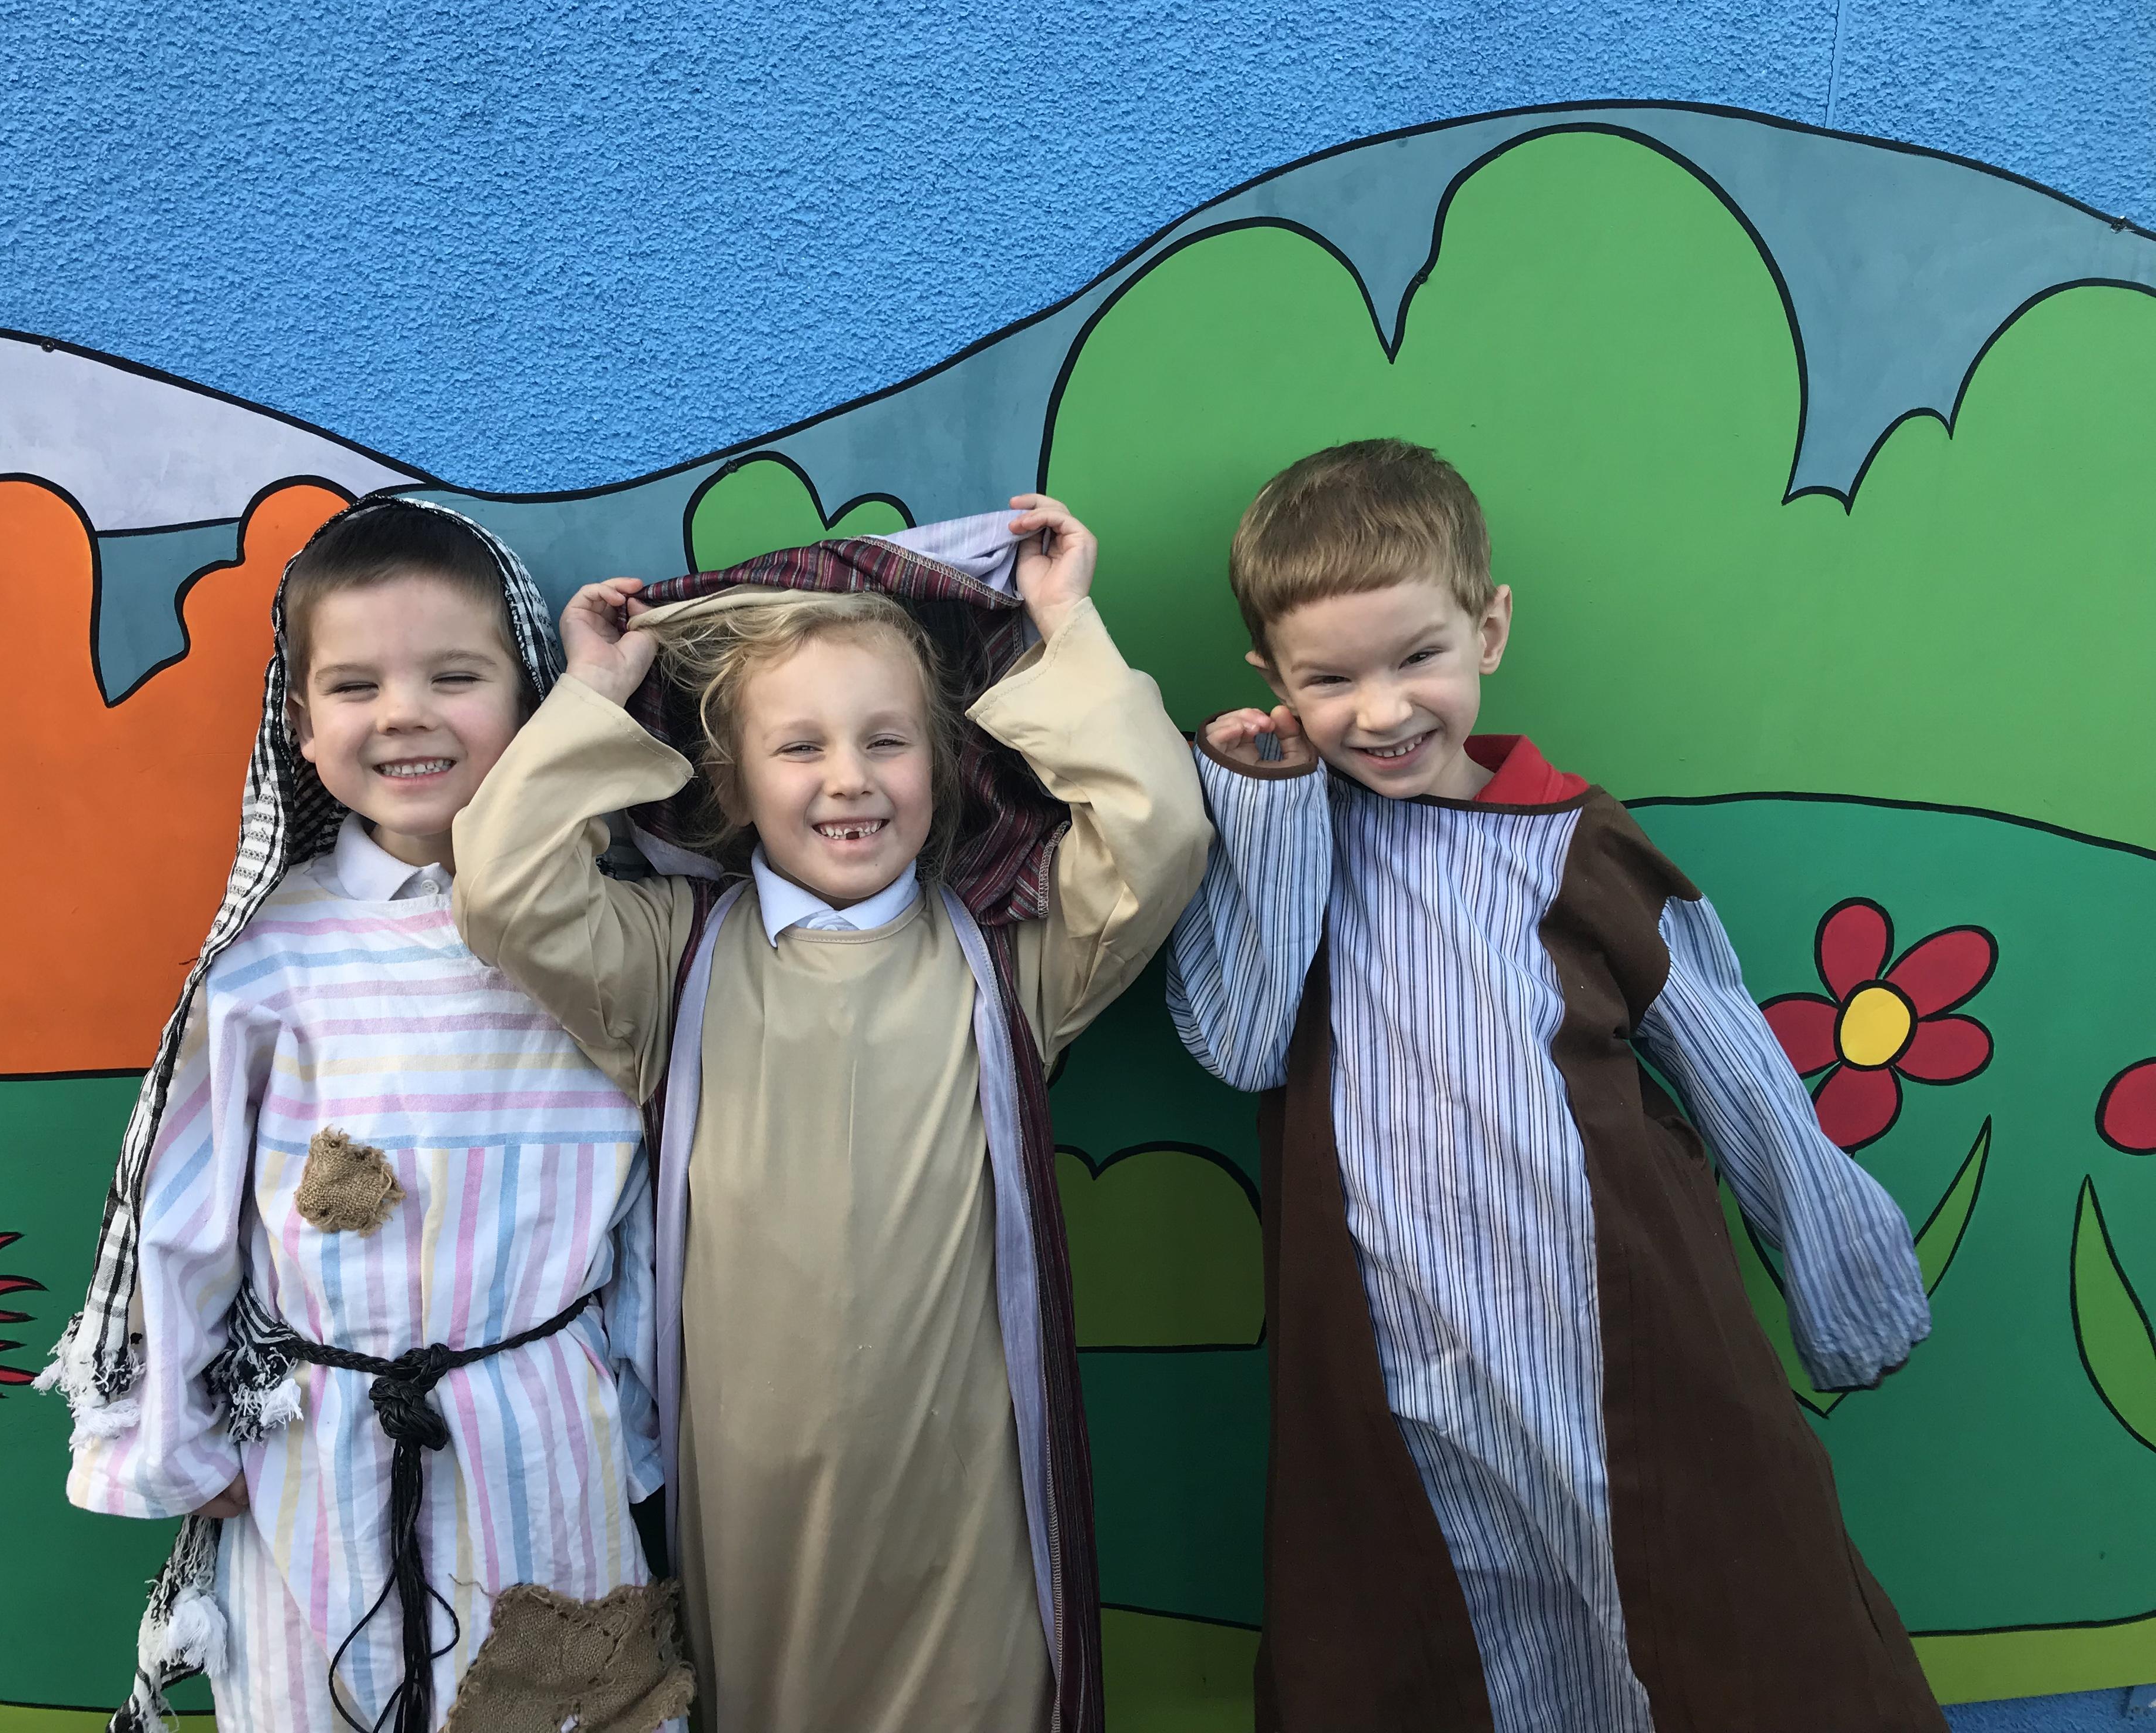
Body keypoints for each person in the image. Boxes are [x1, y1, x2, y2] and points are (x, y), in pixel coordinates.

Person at [1166, 440, 1946, 1733]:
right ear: (1274, 684)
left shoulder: (1575, 843)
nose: (1381, 712)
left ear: (1489, 628)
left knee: (1716, 1613)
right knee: (1438, 1641)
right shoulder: (1285, 840)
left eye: (1417, 657)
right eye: (1330, 680)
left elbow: (1733, 1060)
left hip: (1625, 1336)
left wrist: (1841, 1271)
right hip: (1397, 1363)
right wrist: (1267, 811)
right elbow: (1244, 1042)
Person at [449, 498, 1210, 1733]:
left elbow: (1158, 835)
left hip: (963, 1521)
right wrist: (596, 692)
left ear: (944, 768)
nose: (849, 779)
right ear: (733, 781)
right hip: (758, 1532)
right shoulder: (672, 962)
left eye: (887, 742)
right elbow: (504, 890)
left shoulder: (1011, 966)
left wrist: (1065, 625)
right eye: (799, 747)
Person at [49, 496, 690, 1733]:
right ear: (299, 723)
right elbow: (181, 1217)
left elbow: (648, 1214)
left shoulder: (604, 940)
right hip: (314, 1452)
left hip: (546, 1441)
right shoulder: (272, 957)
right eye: (355, 686)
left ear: (529, 698)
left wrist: (642, 1426)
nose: (404, 713)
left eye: (455, 676)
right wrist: (179, 1439)